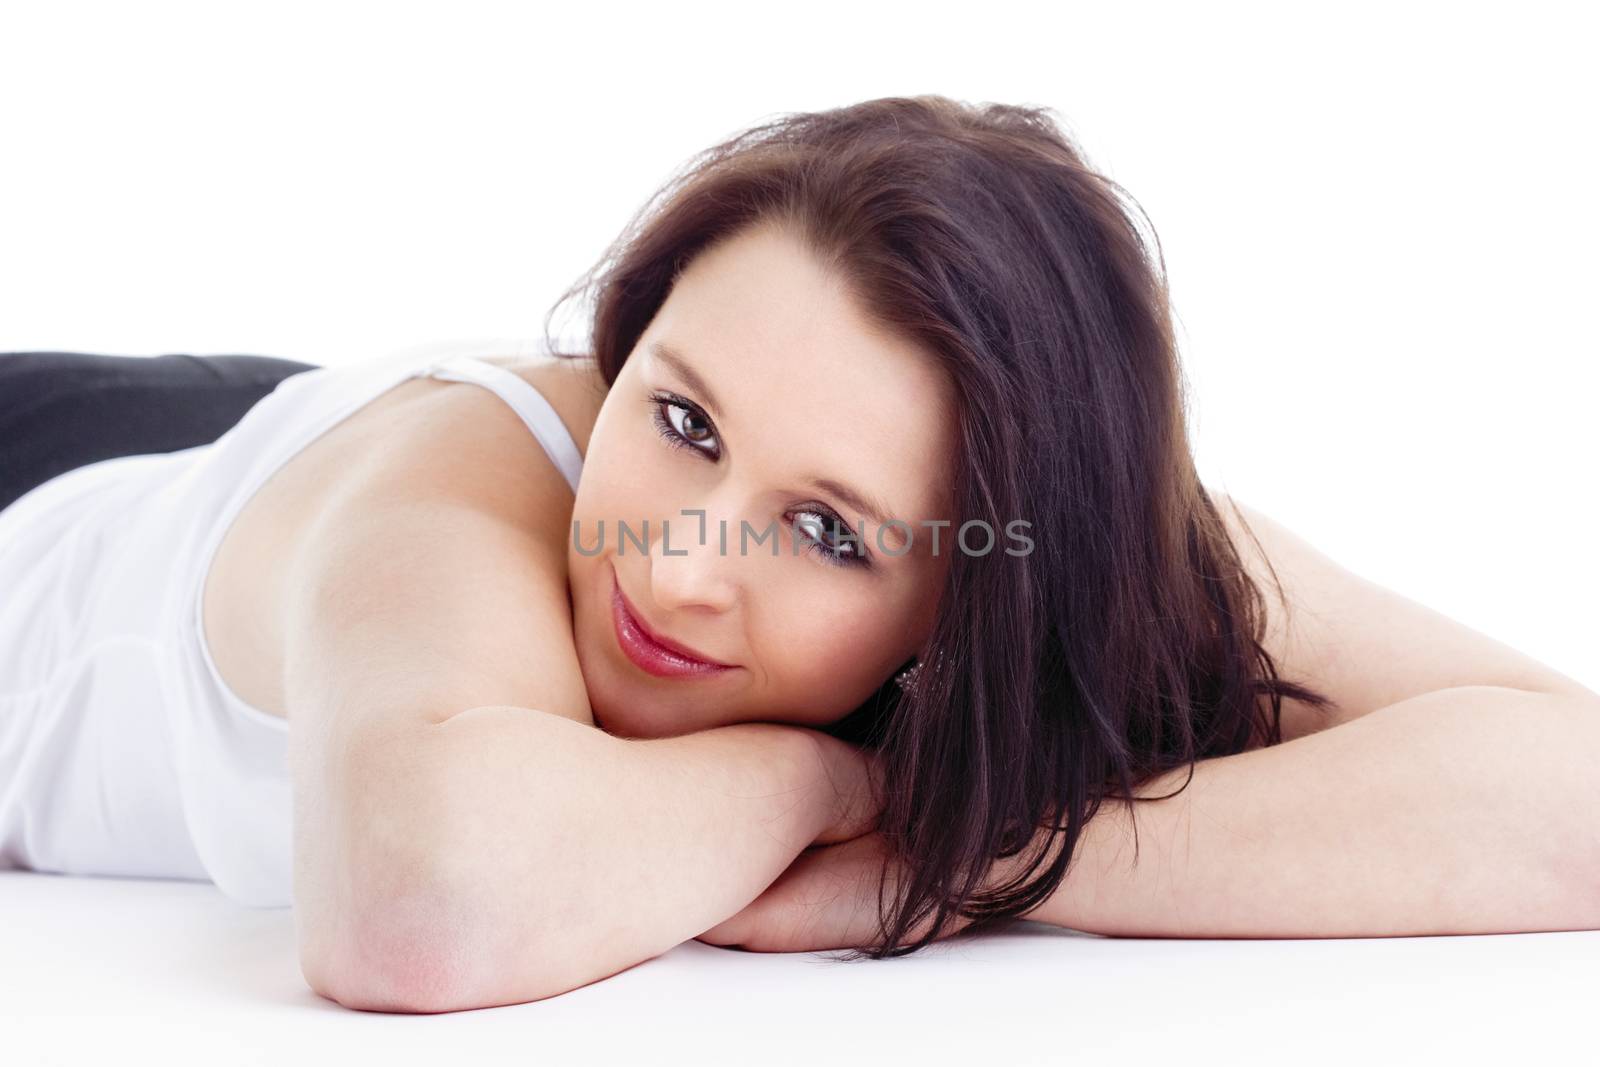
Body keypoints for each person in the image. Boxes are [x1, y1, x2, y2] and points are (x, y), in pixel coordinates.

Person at [5, 96, 1593, 1015]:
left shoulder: (1042, 521)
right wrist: (838, 783)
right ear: (628, 344)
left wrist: (955, 854)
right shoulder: (451, 494)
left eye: (830, 531)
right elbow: (420, 904)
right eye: (683, 421)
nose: (679, 568)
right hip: (64, 490)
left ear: (983, 582)